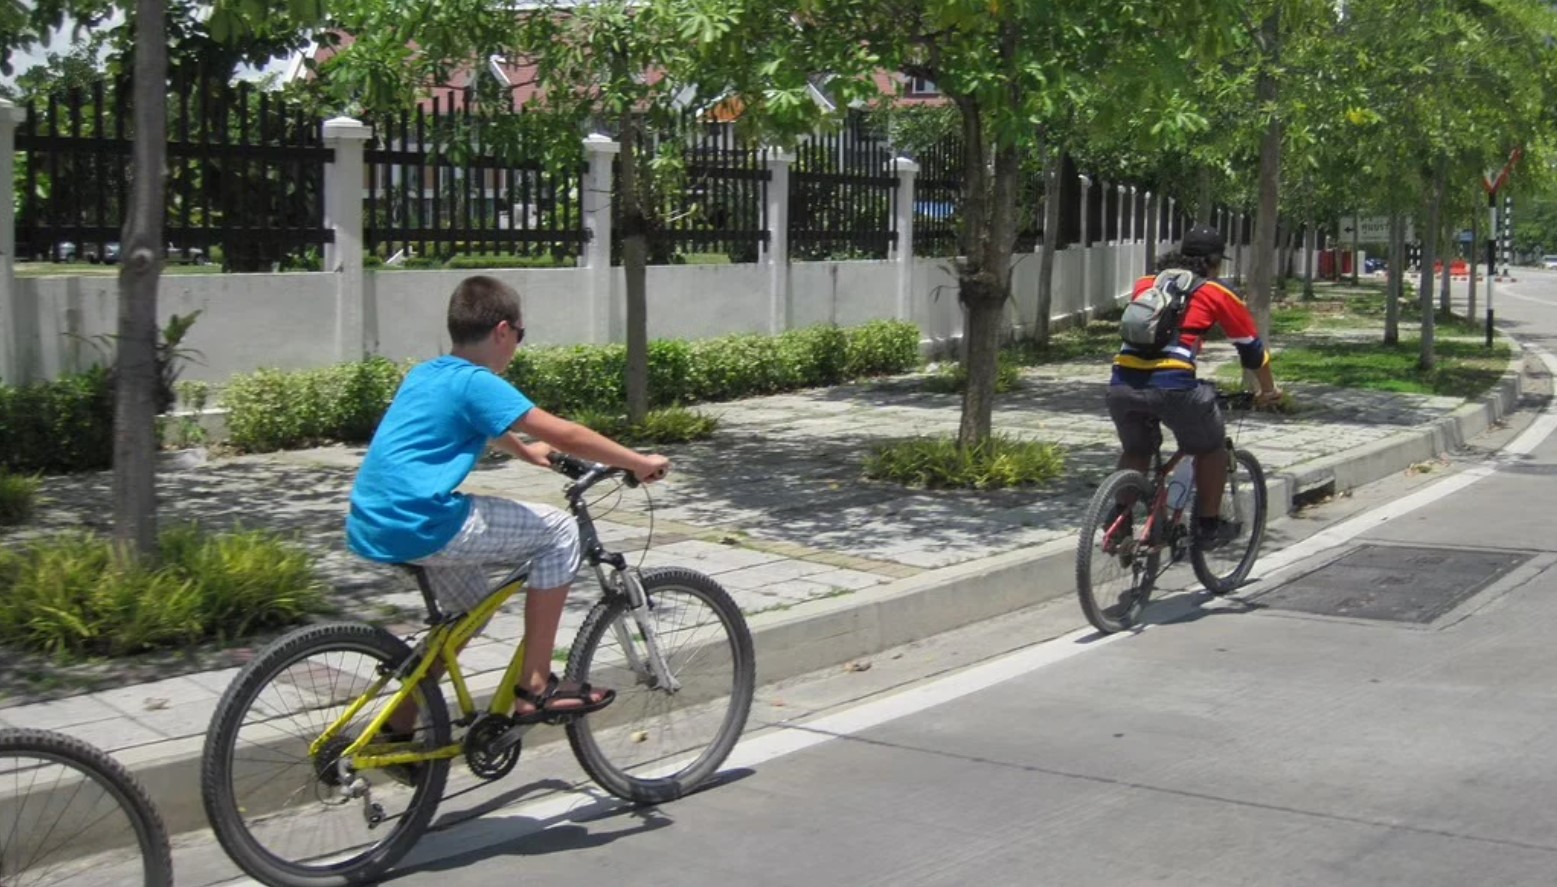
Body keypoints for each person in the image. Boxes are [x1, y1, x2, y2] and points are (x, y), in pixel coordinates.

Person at [347, 275, 670, 730]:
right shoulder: (478, 382)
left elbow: (483, 423)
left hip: (374, 519)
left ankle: (399, 725)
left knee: (467, 615)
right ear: (503, 330)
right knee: (560, 531)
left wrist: (524, 451)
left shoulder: (429, 373)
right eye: (521, 335)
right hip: (426, 522)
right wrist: (636, 461)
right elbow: (564, 433)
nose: (517, 346)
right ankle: (536, 687)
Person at [1107, 223, 1281, 549]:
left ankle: (1118, 518)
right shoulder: (1215, 291)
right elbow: (1252, 350)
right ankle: (1207, 527)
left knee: (1137, 449)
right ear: (1215, 262)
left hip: (1121, 383)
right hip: (1173, 386)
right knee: (1210, 447)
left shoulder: (1146, 284)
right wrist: (1267, 390)